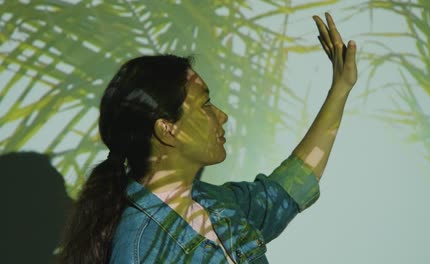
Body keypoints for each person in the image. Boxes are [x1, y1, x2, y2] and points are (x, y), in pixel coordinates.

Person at [58, 12, 357, 263]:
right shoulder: (140, 250)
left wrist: (340, 89)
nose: (221, 115)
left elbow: (288, 188)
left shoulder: (215, 203)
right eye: (205, 104)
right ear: (168, 129)